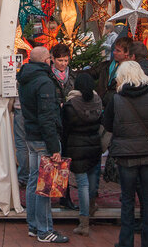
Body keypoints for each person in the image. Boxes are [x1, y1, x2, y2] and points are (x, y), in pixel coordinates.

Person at [102, 60, 148, 247]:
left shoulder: (116, 100)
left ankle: (126, 241)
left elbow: (107, 124)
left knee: (128, 199)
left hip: (126, 157)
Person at [16, 46, 69, 243]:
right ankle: (44, 230)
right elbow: (47, 117)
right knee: (46, 185)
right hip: (43, 138)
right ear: (46, 61)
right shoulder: (44, 82)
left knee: (33, 180)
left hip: (31, 135)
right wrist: (54, 147)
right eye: (50, 58)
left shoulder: (25, 78)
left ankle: (33, 225)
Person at [61, 72, 102, 236]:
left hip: (77, 148)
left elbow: (65, 129)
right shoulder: (98, 102)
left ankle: (84, 222)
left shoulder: (71, 106)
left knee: (82, 185)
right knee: (92, 183)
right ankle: (91, 208)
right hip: (94, 146)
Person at [89, 35, 133, 109]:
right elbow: (90, 72)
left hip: (118, 107)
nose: (114, 52)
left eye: (118, 51)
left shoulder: (131, 71)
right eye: (115, 50)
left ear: (127, 53)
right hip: (102, 106)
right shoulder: (106, 65)